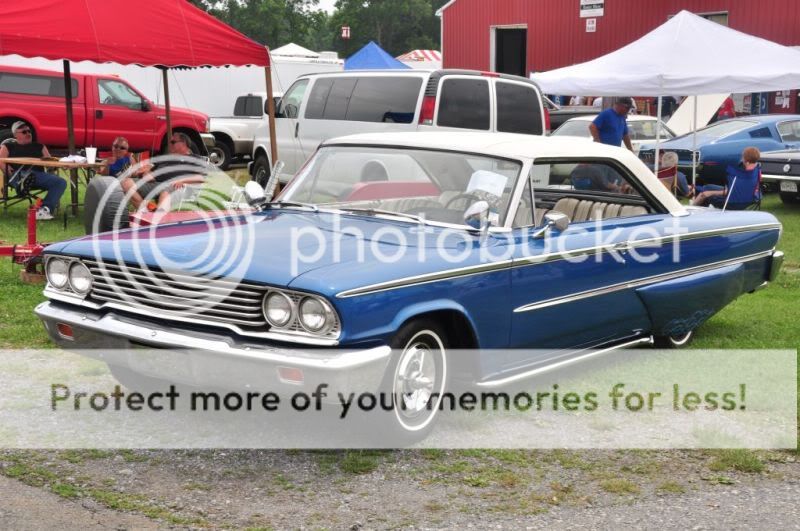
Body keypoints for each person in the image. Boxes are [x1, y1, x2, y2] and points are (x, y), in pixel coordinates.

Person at [120, 132, 205, 211]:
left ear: (183, 143)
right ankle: (145, 212)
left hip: (175, 185)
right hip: (156, 184)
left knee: (166, 192)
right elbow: (150, 171)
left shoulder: (194, 158)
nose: (169, 144)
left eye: (172, 142)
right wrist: (147, 174)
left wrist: (181, 180)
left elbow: (201, 177)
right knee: (126, 183)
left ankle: (159, 220)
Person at [0, 121, 66, 220]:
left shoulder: (39, 146)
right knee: (23, 175)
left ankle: (44, 209)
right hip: (16, 174)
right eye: (24, 132)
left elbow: (50, 162)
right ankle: (22, 183)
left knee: (60, 182)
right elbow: (1, 160)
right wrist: (8, 171)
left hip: (38, 176)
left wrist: (61, 165)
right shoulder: (8, 146)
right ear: (15, 135)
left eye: (29, 131)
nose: (28, 134)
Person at [693, 147, 761, 209]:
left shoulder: (740, 175)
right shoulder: (757, 170)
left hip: (733, 203)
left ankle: (694, 210)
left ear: (746, 160)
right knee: (708, 187)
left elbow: (729, 192)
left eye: (743, 157)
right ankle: (699, 209)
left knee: (705, 193)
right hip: (749, 200)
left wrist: (711, 193)